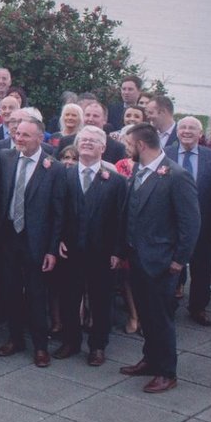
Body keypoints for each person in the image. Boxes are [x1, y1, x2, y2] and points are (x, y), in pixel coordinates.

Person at [118, 124, 199, 393]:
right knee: (147, 315)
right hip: (138, 258)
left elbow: (190, 223)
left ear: (141, 145)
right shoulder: (139, 171)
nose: (126, 149)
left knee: (161, 318)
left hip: (162, 261)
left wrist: (179, 260)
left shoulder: (176, 176)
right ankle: (150, 359)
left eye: (129, 144)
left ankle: (167, 372)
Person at [0, 118, 66, 366]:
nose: (18, 138)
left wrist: (52, 249)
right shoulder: (5, 158)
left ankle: (40, 346)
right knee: (10, 291)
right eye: (17, 134)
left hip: (37, 242)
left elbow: (59, 213)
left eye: (25, 135)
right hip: (9, 237)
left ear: (39, 138)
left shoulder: (53, 168)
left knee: (36, 295)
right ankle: (15, 339)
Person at [55, 126, 127, 366]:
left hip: (102, 252)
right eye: (83, 140)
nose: (86, 143)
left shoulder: (116, 182)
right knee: (68, 297)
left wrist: (118, 251)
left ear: (103, 148)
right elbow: (57, 213)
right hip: (70, 249)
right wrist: (58, 240)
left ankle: (98, 346)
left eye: (93, 141)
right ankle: (71, 341)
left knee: (100, 300)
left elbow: (121, 219)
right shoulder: (64, 174)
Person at [173, 118, 211, 328]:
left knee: (202, 268)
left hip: (203, 223)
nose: (187, 131)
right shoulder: (165, 153)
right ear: (177, 132)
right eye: (183, 128)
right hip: (171, 224)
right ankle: (168, 304)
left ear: (200, 134)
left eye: (192, 128)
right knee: (171, 266)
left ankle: (198, 307)